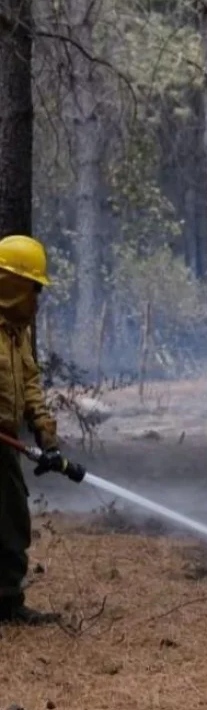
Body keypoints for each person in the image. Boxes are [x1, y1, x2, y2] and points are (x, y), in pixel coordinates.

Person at [0, 234, 65, 625]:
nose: (37, 299)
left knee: (12, 521)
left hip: (4, 442)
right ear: (12, 284)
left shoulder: (17, 332)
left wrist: (45, 433)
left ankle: (6, 603)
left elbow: (29, 382)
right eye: (33, 289)